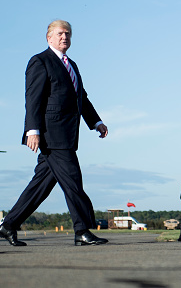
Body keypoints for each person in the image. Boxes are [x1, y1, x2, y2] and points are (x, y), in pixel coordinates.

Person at [0, 20, 109, 247]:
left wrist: (96, 121)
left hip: (68, 133)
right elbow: (33, 98)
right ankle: (82, 230)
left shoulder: (73, 65)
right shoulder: (40, 61)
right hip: (52, 134)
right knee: (73, 180)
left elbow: (82, 98)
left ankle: (8, 225)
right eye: (60, 33)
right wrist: (32, 130)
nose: (64, 37)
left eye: (68, 34)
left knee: (40, 186)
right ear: (49, 37)